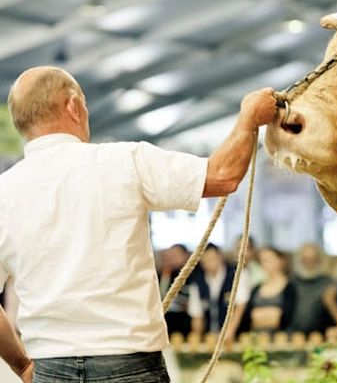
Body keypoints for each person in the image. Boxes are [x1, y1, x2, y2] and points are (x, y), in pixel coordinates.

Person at [0, 66, 276, 382]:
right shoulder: (124, 161)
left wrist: (21, 365)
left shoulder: (3, 193)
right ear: (73, 106)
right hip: (129, 364)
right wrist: (249, 118)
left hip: (49, 368)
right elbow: (222, 175)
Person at [191, 243, 250, 341]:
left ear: (220, 257)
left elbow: (240, 306)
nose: (209, 263)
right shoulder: (197, 280)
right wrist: (196, 338)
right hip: (210, 336)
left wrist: (230, 331)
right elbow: (197, 315)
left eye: (212, 259)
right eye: (205, 261)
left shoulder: (237, 274)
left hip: (237, 336)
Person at [240, 246, 296, 334]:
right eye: (262, 260)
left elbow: (285, 317)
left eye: (269, 259)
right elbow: (248, 318)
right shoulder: (256, 288)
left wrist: (259, 315)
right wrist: (272, 313)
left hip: (281, 339)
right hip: (256, 338)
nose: (265, 263)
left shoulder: (290, 287)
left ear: (280, 261)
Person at [289, 243, 334, 334]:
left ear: (319, 260)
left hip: (321, 334)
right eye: (305, 259)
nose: (309, 262)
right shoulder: (291, 282)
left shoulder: (328, 283)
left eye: (313, 259)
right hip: (294, 335)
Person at [158, 244, 199, 337]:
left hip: (186, 319)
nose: (171, 258)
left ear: (185, 256)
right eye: (169, 256)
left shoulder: (194, 275)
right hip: (166, 320)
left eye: (175, 255)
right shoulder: (163, 274)